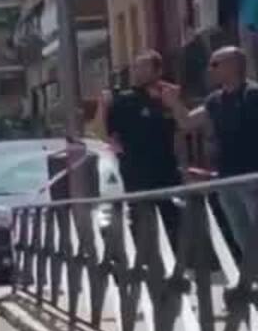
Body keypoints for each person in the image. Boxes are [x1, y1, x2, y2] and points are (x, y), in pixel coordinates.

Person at [160, 46, 258, 265]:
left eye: (215, 64)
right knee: (242, 238)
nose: (209, 69)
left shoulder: (253, 95)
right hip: (227, 180)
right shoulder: (214, 100)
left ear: (233, 65)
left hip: (253, 179)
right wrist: (174, 101)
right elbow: (186, 123)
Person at [98, 51, 185, 245]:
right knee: (143, 222)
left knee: (173, 220)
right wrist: (102, 107)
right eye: (136, 67)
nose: (138, 72)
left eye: (144, 67)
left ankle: (181, 265)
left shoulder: (169, 96)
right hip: (136, 172)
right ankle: (149, 267)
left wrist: (184, 167)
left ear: (158, 70)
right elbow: (104, 133)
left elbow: (182, 131)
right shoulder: (124, 100)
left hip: (167, 171)